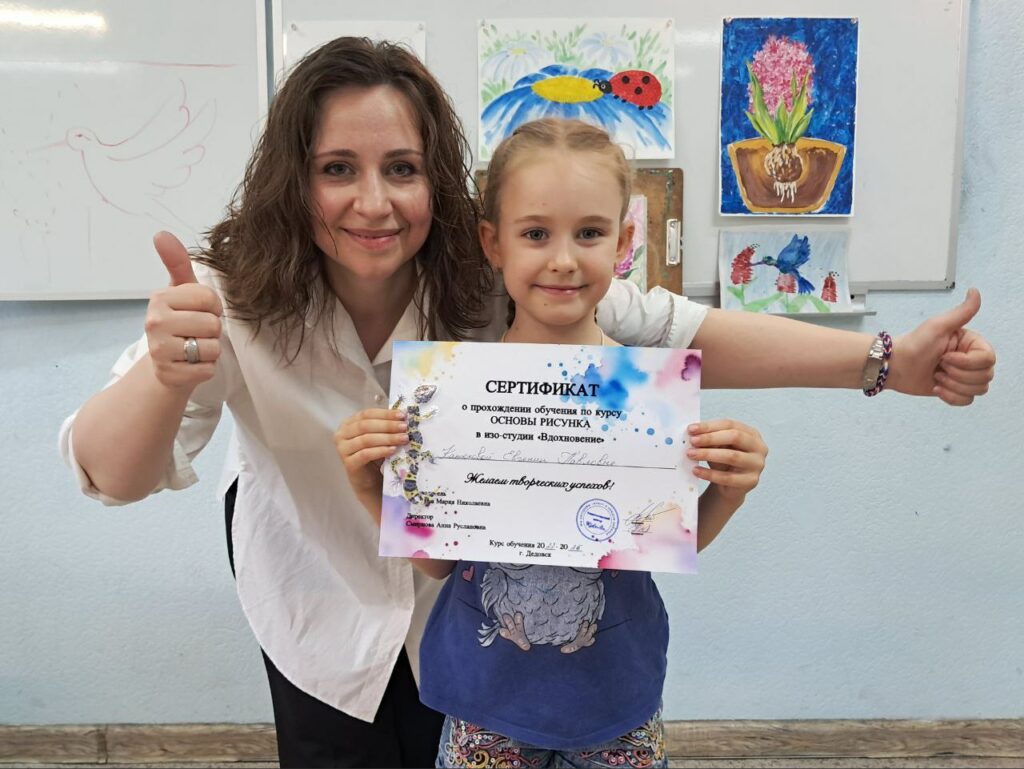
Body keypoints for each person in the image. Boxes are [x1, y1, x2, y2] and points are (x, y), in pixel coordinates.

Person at [58, 37, 994, 769]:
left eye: (402, 168)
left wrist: (885, 363)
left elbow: (682, 331)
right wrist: (167, 372)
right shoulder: (227, 294)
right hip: (316, 598)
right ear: (292, 178)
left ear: (440, 185)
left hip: (484, 636)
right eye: (337, 167)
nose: (373, 202)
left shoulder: (500, 279)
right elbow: (108, 472)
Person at [336, 118, 771, 767]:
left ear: (624, 241)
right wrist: (369, 484)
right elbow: (438, 565)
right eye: (536, 233)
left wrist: (729, 491)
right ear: (493, 242)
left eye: (589, 233)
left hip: (616, 699)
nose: (563, 259)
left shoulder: (650, 395)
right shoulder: (451, 395)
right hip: (484, 700)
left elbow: (656, 543)